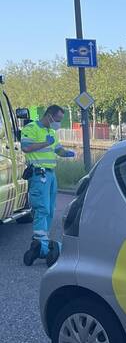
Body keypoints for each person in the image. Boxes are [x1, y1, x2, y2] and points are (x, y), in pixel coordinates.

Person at [21, 105, 76, 266]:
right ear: (49, 116)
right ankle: (40, 243)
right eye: (57, 119)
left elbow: (57, 149)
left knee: (50, 210)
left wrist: (67, 153)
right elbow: (26, 148)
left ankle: (42, 242)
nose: (58, 123)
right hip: (39, 175)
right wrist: (45, 143)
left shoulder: (52, 133)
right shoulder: (31, 128)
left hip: (51, 176)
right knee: (42, 208)